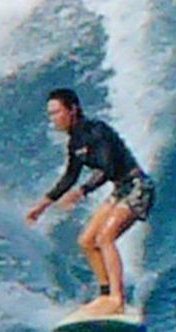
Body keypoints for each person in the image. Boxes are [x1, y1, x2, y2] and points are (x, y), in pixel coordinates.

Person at [26, 88, 155, 317]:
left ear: (73, 109)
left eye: (56, 112)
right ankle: (106, 295)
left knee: (105, 238)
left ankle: (118, 299)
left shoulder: (97, 131)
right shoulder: (74, 143)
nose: (52, 119)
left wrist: (82, 192)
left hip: (138, 187)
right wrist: (41, 206)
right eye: (50, 114)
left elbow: (109, 168)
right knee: (86, 241)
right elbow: (69, 177)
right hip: (121, 190)